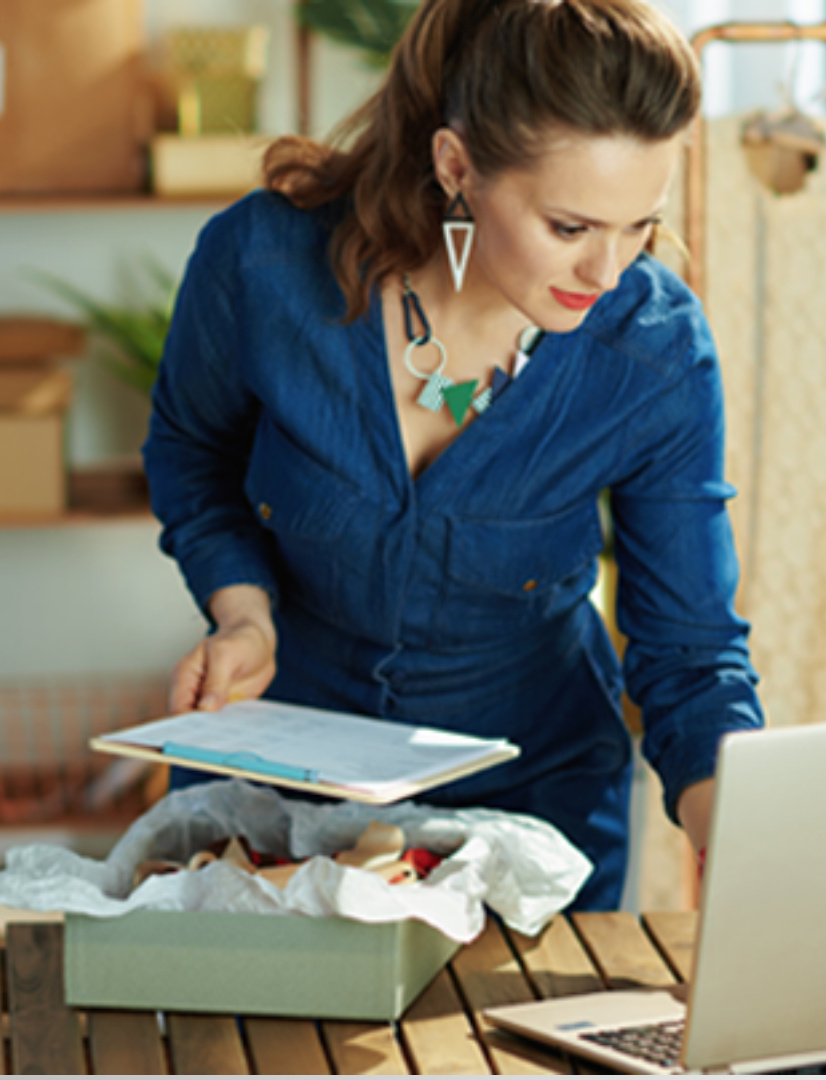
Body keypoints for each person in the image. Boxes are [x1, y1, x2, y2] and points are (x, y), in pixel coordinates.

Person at [141, 0, 763, 910]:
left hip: (530, 813)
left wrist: (742, 835)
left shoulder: (654, 349)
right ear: (456, 165)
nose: (610, 272)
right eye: (571, 227)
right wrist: (244, 617)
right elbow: (192, 456)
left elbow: (689, 651)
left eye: (640, 228)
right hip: (272, 784)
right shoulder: (265, 265)